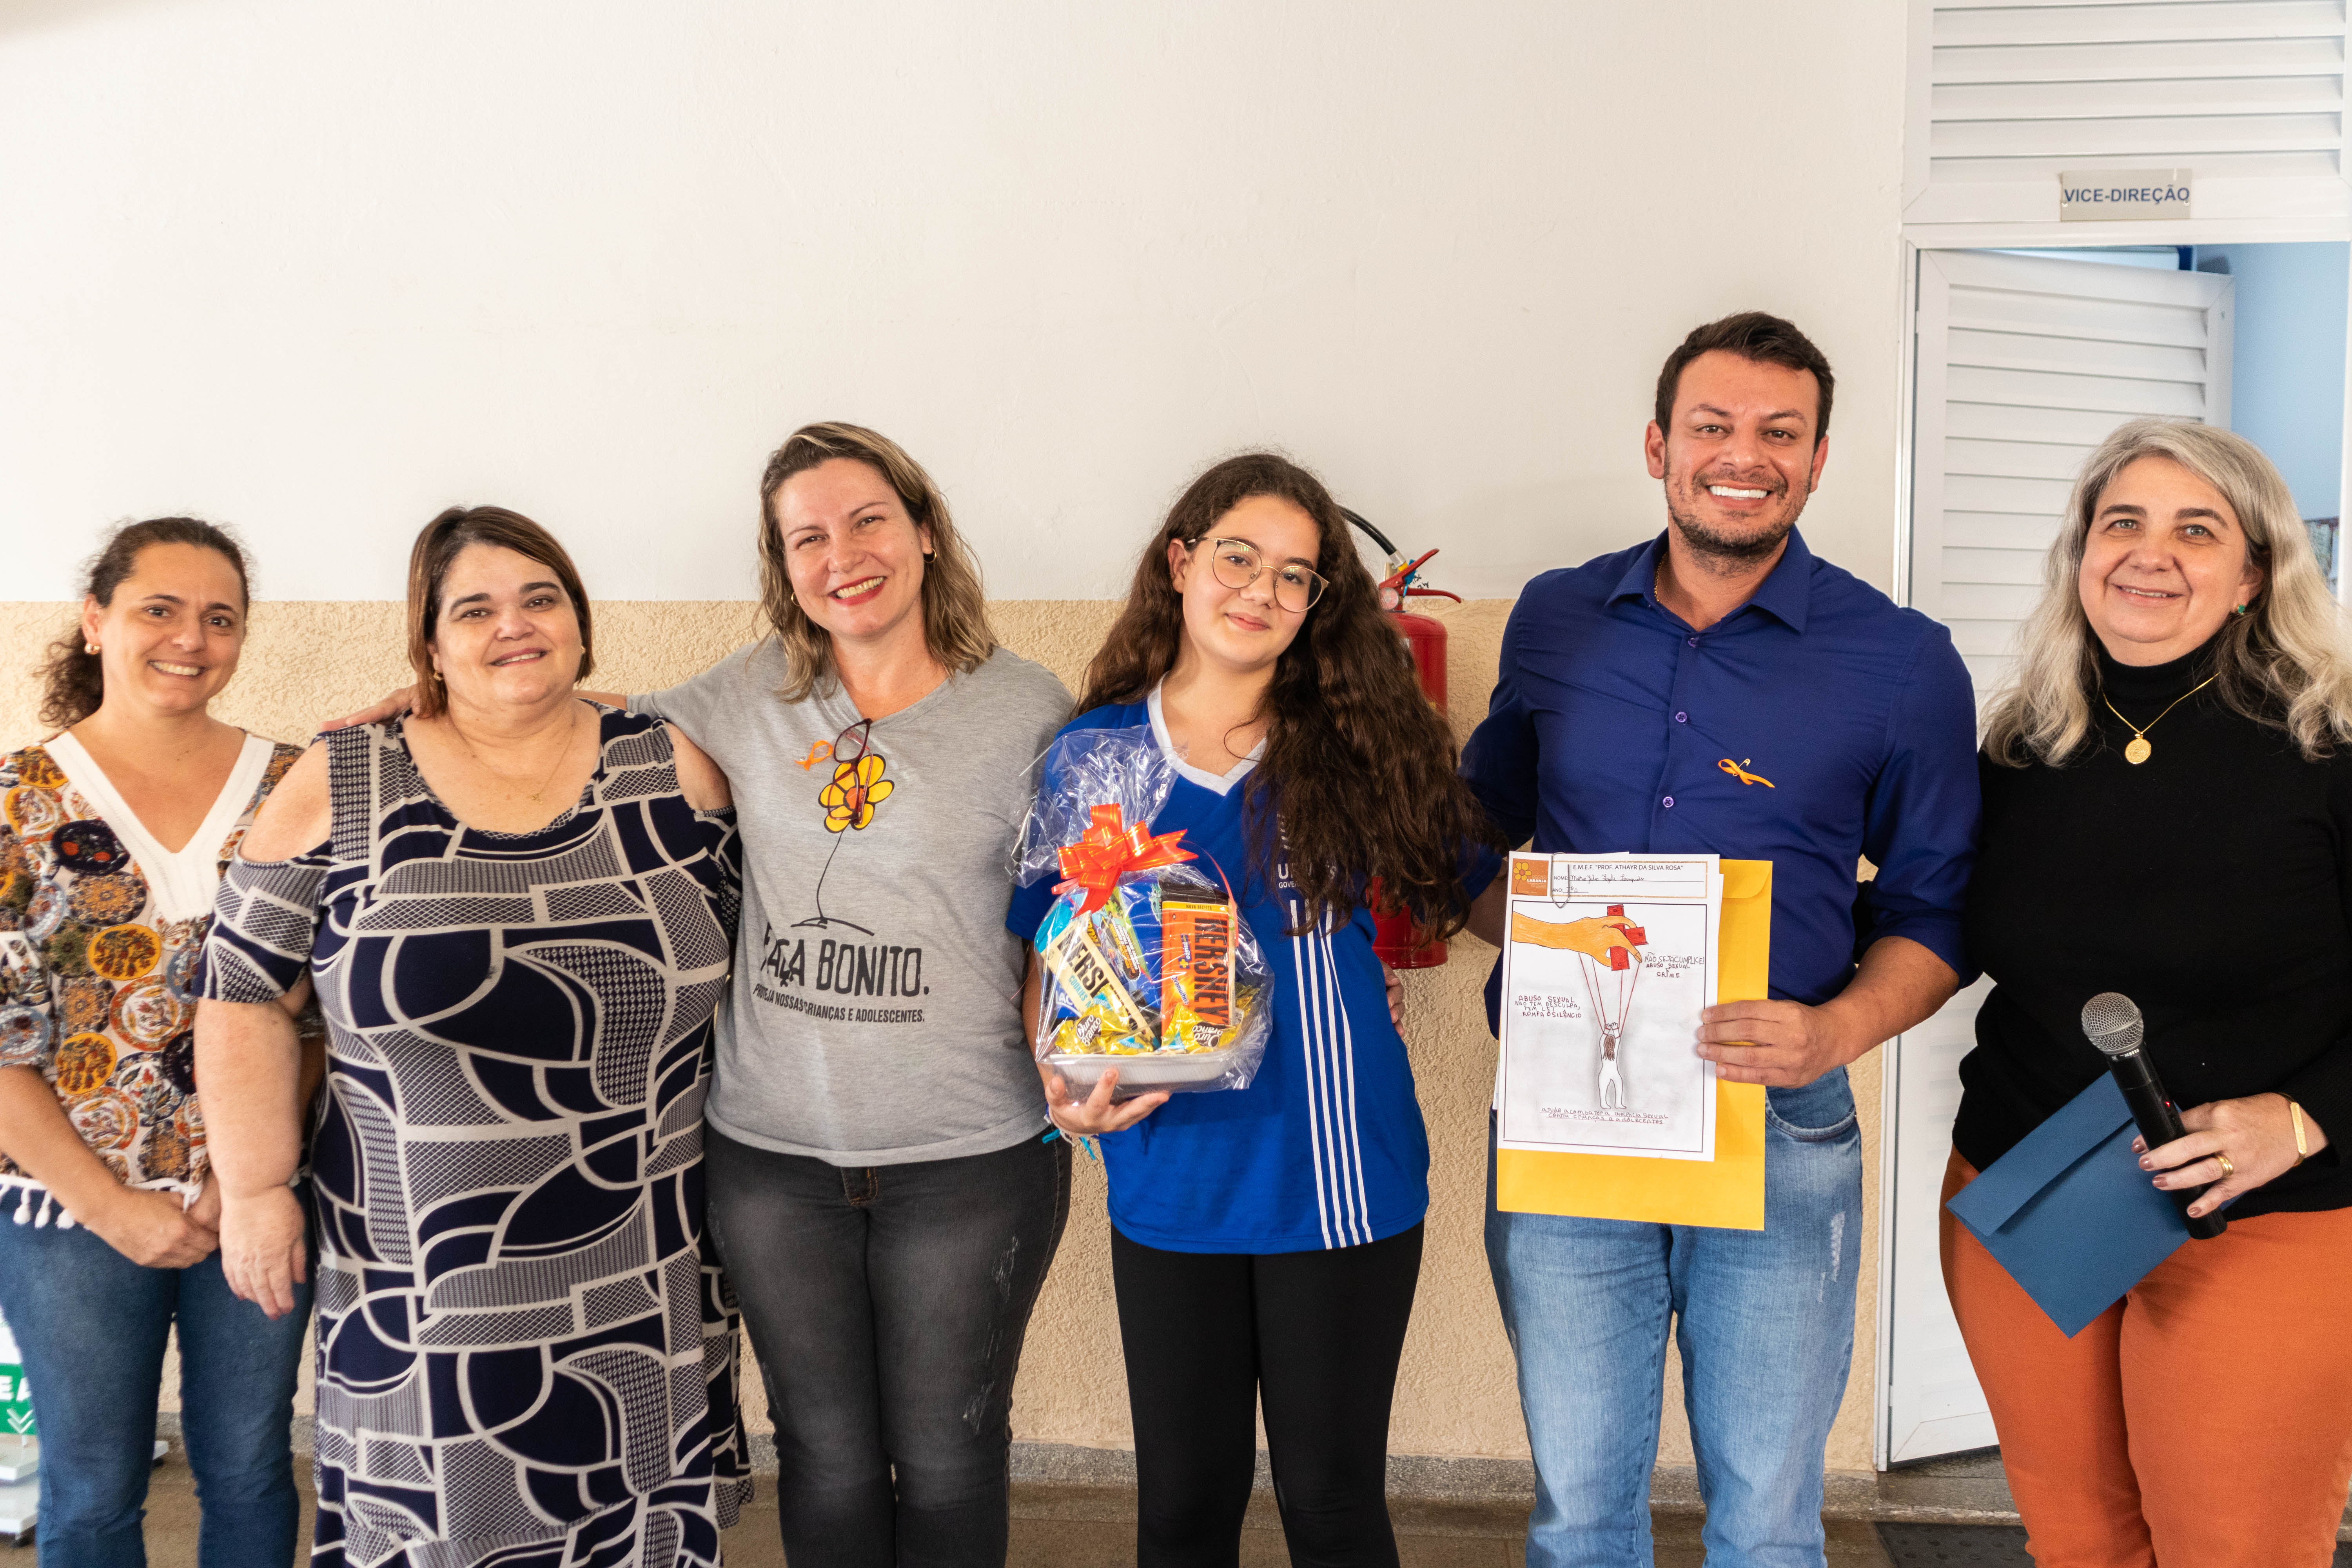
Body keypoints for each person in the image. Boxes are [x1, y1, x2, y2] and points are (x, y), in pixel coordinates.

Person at [1459, 312, 1981, 1567]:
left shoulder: (1903, 663)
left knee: (1765, 1524)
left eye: (1778, 433)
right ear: (1658, 446)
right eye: (1713, 426)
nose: (1741, 455)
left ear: (1815, 461)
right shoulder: (1557, 619)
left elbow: (1936, 912)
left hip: (1780, 1122)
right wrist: (1531, 936)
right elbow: (1482, 835)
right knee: (1579, 1515)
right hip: (1573, 1111)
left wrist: (1837, 1032)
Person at [196, 506, 750, 1568]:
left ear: (581, 623)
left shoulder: (673, 767)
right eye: (476, 608)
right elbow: (241, 989)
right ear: (430, 642)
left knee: (626, 1521)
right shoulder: (345, 781)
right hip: (418, 1275)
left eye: (541, 598)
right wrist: (257, 1189)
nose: (515, 626)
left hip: (641, 1249)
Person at [1008, 452, 1502, 1568]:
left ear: (1319, 608)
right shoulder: (1095, 759)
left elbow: (1482, 900)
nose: (1260, 590)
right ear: (1182, 562)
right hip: (1169, 1177)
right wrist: (1058, 1075)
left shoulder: (1363, 747)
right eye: (1239, 556)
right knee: (1184, 1509)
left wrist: (1647, 931)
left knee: (1331, 1504)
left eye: (1296, 576)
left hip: (1341, 1178)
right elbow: (1052, 945)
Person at [617, 424, 1072, 1568]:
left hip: (971, 1156)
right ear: (784, 566)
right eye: (807, 536)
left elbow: (1074, 916)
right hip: (773, 1161)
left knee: (954, 1457)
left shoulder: (1027, 708)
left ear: (924, 530)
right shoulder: (743, 698)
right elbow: (573, 737)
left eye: (868, 519)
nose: (843, 555)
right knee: (819, 1454)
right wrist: (428, 699)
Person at [1947, 419, 2352, 1567]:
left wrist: (2305, 1117)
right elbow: (1947, 929)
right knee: (2079, 1540)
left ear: (2254, 572)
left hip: (2265, 1214)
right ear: (2081, 552)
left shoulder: (2332, 744)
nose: (2149, 553)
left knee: (2234, 1547)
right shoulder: (2027, 742)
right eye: (2121, 522)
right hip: (2030, 1186)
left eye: (2196, 529)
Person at [0, 518, 314, 1568]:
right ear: (96, 623)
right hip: (67, 1215)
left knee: (253, 1470)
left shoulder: (296, 786)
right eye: (160, 610)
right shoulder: (15, 800)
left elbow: (322, 1012)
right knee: (91, 1492)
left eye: (220, 618)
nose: (192, 638)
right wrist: (113, 1210)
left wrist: (248, 1173)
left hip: (256, 1203)